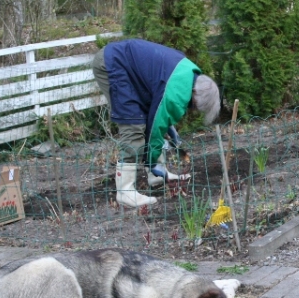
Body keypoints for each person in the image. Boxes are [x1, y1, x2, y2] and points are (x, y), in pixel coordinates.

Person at [92, 39, 220, 208]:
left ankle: (157, 177)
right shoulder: (178, 91)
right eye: (196, 106)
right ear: (195, 95)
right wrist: (152, 162)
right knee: (134, 125)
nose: (193, 109)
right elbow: (155, 128)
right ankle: (125, 192)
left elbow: (159, 106)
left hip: (124, 64)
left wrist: (167, 126)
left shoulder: (189, 75)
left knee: (149, 123)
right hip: (113, 63)